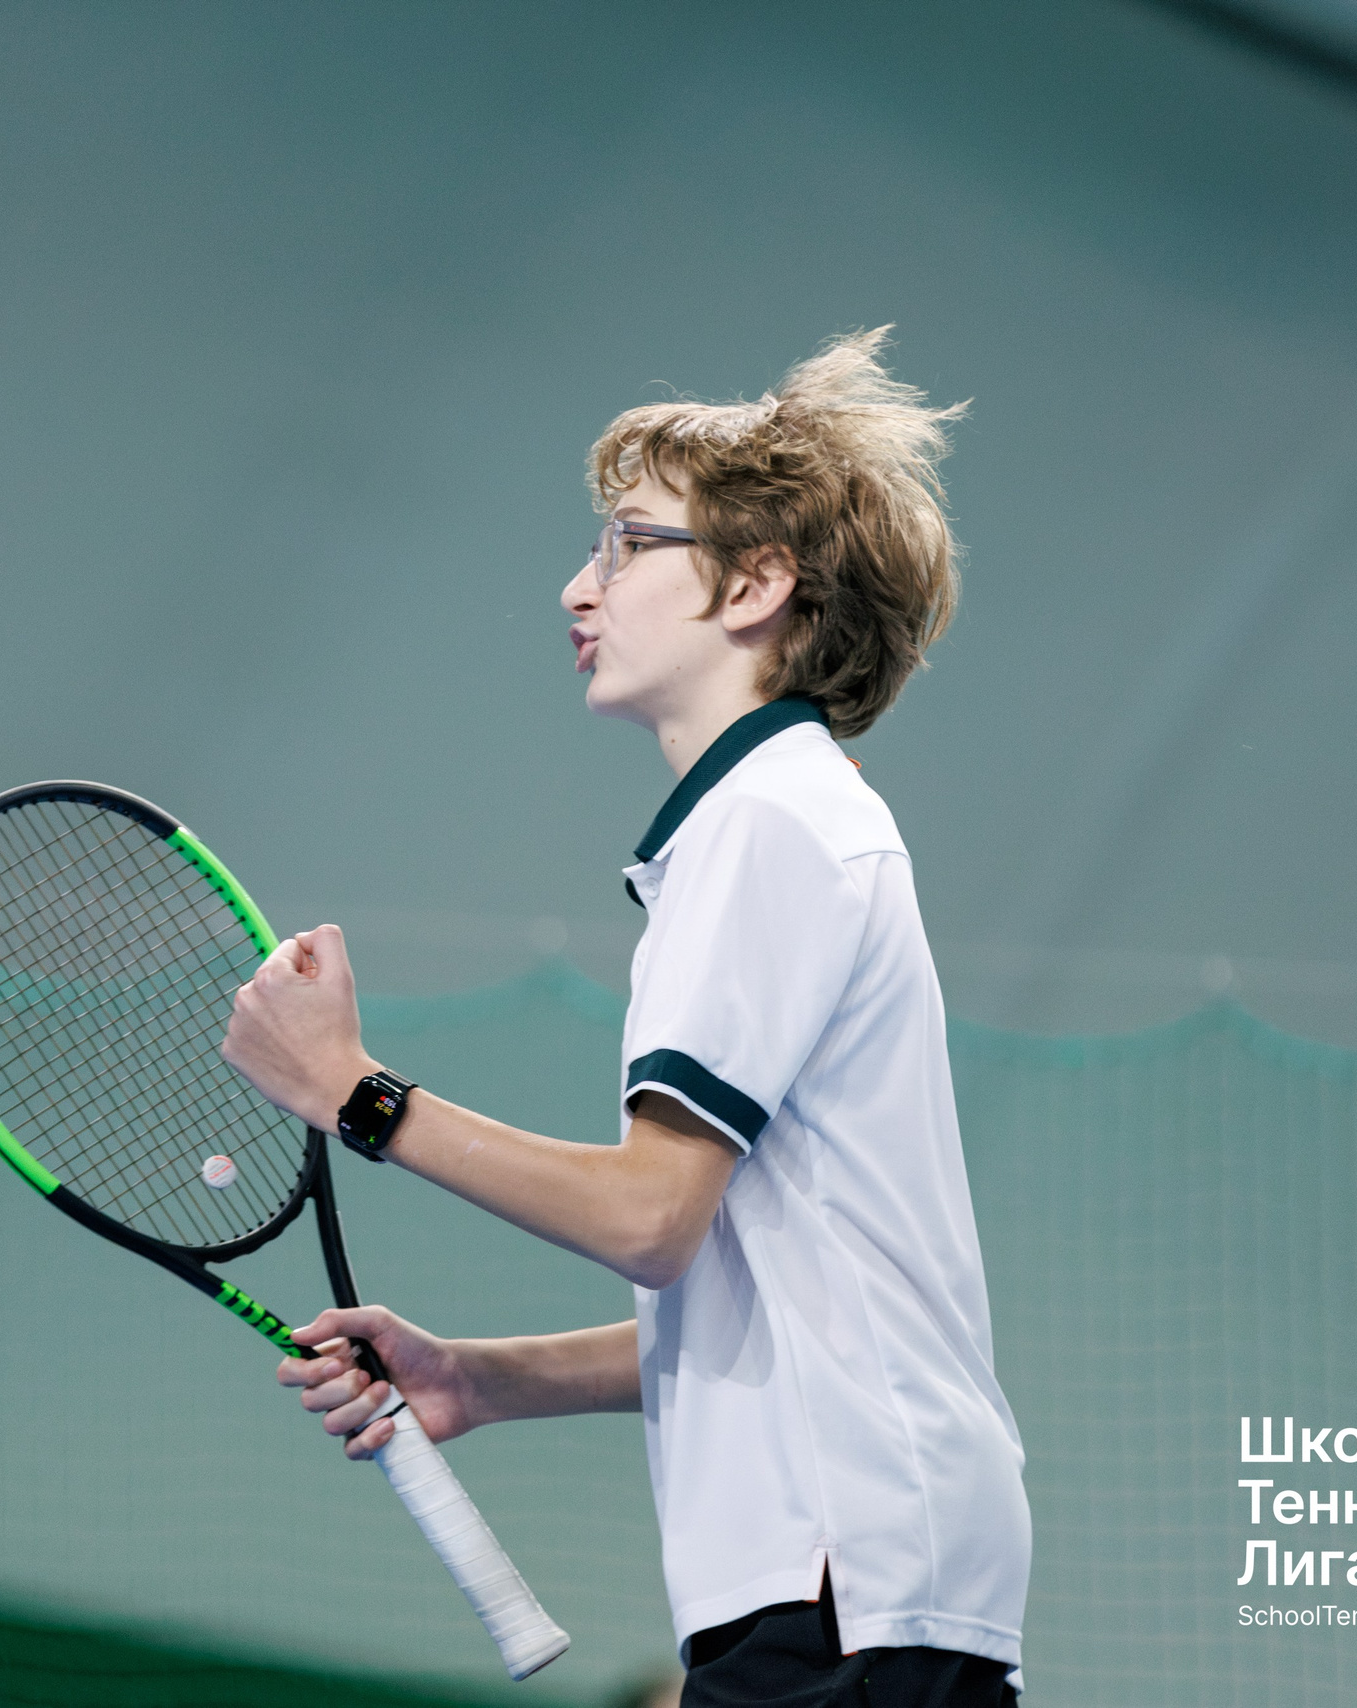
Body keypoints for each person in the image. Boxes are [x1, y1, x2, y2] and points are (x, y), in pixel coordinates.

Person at [221, 329, 1029, 1707]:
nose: (576, 585)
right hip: (866, 1577)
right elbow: (766, 1305)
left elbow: (651, 1222)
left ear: (758, 584)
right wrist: (477, 1379)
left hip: (847, 1587)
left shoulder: (768, 824)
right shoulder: (776, 823)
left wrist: (358, 1094)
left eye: (625, 544)